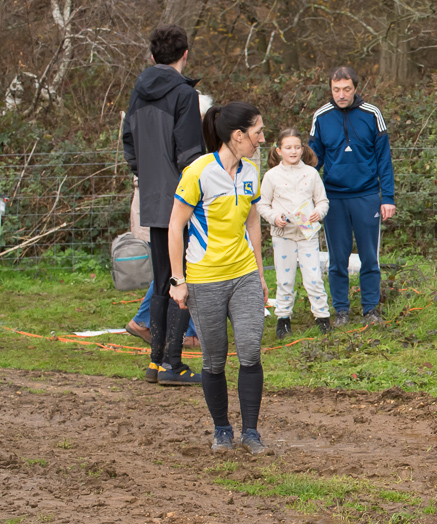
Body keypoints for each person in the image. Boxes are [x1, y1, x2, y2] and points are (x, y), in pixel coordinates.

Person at [168, 101, 270, 454]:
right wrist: (178, 280)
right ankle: (222, 429)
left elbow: (253, 223)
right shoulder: (198, 172)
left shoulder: (251, 172)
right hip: (205, 278)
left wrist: (259, 273)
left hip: (244, 275)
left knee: (250, 351)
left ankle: (251, 433)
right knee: (214, 359)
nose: (261, 139)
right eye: (257, 132)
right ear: (238, 135)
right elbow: (175, 226)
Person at [122, 24, 205, 385]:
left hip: (153, 196)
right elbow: (190, 153)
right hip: (182, 199)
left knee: (162, 280)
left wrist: (146, 174)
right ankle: (173, 364)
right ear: (185, 54)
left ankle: (155, 363)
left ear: (153, 56)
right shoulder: (185, 94)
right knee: (182, 279)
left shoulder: (138, 92)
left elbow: (128, 141)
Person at [126, 92, 214, 349]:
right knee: (174, 270)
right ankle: (147, 322)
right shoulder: (179, 142)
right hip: (166, 211)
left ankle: (172, 328)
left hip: (162, 208)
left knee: (174, 269)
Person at [309, 66, 395, 328]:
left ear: (356, 88)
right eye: (336, 89)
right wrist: (304, 195)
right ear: (330, 89)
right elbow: (313, 162)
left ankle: (370, 309)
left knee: (370, 257)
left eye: (346, 89)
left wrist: (387, 197)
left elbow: (384, 159)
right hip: (333, 199)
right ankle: (341, 311)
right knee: (337, 259)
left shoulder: (372, 114)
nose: (341, 95)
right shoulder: (321, 117)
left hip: (367, 196)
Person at [258, 128, 330, 340]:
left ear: (302, 149)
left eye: (297, 147)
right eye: (288, 147)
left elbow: (322, 201)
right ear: (279, 150)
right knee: (285, 279)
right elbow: (262, 205)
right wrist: (275, 217)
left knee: (314, 277)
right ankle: (283, 319)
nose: (293, 151)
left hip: (307, 235)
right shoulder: (271, 176)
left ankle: (322, 317)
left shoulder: (311, 173)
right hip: (283, 235)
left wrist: (318, 213)